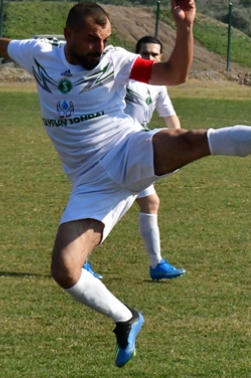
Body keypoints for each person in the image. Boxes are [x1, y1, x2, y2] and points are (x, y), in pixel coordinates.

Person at [0, 1, 251, 368]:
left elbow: (175, 74)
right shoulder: (39, 52)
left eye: (106, 39)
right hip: (88, 184)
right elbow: (1, 45)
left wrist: (185, 25)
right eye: (91, 40)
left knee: (191, 140)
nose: (100, 47)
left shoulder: (117, 61)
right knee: (65, 270)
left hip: (126, 148)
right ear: (68, 35)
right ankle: (127, 318)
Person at [83, 35, 185, 281]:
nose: (150, 58)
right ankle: (80, 260)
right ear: (136, 55)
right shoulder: (124, 79)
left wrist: (181, 145)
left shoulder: (158, 85)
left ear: (161, 58)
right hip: (113, 149)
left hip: (135, 151)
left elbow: (171, 119)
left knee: (147, 203)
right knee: (112, 205)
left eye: (155, 54)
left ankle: (157, 264)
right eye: (145, 53)